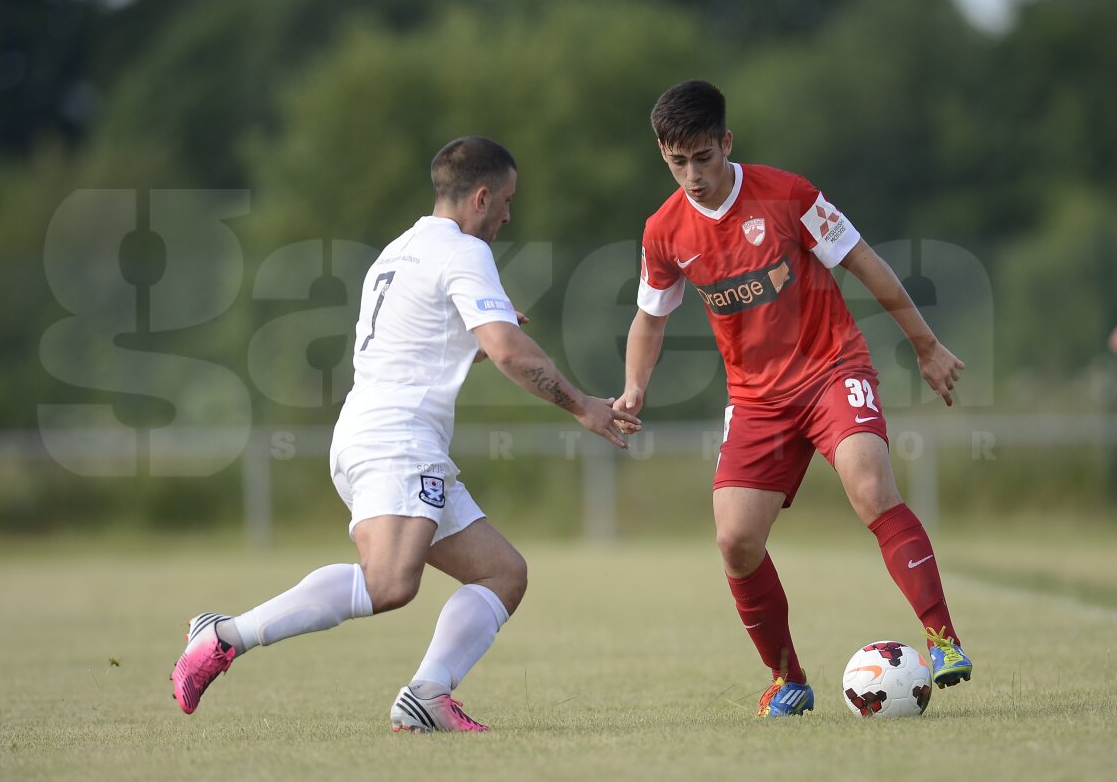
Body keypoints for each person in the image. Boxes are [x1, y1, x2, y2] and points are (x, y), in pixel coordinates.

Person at [171, 136, 639, 731]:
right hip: (397, 440)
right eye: (507, 201)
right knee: (389, 581)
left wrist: (479, 335)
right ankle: (226, 634)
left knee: (502, 574)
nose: (508, 215)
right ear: (481, 195)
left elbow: (429, 351)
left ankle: (427, 694)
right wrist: (583, 408)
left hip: (375, 432)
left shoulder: (398, 251)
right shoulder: (464, 253)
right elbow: (509, 353)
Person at [618, 80, 972, 717]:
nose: (692, 175)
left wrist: (926, 345)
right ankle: (789, 679)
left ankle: (943, 640)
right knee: (735, 541)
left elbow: (862, 261)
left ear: (726, 143)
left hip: (832, 368)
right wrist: (634, 388)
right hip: (756, 402)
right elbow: (650, 318)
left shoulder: (789, 194)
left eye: (703, 157)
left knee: (869, 487)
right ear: (663, 157)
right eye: (677, 162)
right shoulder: (663, 232)